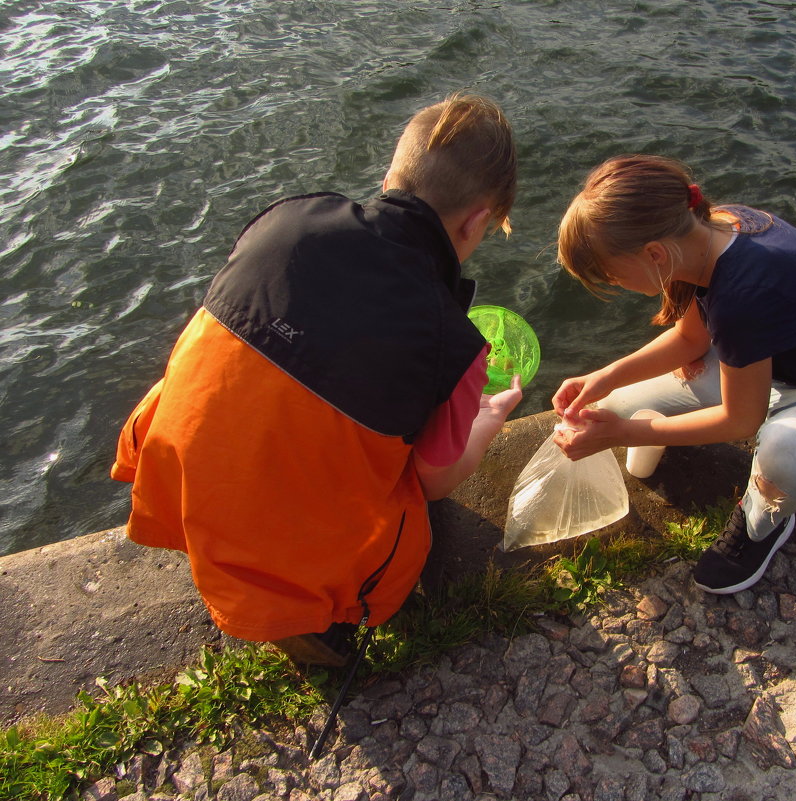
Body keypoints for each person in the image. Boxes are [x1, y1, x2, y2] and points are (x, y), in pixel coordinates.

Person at [111, 94, 522, 665]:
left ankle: (224, 539)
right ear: (478, 221)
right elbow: (435, 482)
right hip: (284, 535)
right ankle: (306, 609)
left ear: (391, 176)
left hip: (173, 472)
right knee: (411, 519)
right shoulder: (453, 343)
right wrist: (489, 419)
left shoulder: (286, 218)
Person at [551, 154, 796, 595]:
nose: (616, 285)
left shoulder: (743, 295)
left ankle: (761, 521)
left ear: (653, 253)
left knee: (788, 454)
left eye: (613, 275)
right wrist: (605, 377)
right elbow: (690, 340)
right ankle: (653, 434)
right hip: (775, 365)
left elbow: (740, 420)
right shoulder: (710, 230)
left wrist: (622, 434)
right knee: (616, 401)